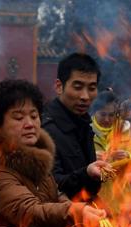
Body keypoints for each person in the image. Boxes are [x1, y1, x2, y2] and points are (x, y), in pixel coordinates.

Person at [0, 79, 106, 227]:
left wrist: (83, 211)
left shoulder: (37, 159)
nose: (30, 124)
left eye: (34, 116)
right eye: (18, 117)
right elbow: (28, 212)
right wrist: (72, 212)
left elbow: (55, 195)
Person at [42, 53, 111, 200]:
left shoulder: (84, 124)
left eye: (92, 88)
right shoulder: (46, 129)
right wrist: (86, 173)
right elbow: (50, 185)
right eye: (78, 87)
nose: (85, 96)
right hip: (63, 216)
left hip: (88, 214)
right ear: (59, 86)